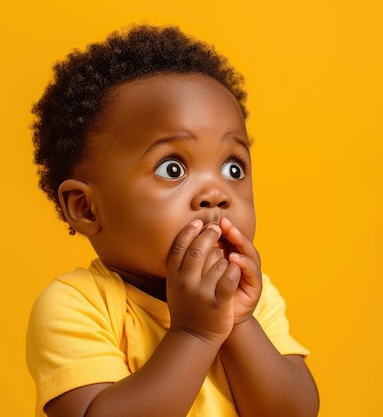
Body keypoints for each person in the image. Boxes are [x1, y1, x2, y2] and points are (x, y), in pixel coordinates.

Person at [26, 24, 319, 417]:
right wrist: (193, 333)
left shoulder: (252, 296)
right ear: (85, 208)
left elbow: (294, 412)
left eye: (233, 168)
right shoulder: (77, 305)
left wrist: (239, 323)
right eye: (172, 168)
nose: (216, 193)